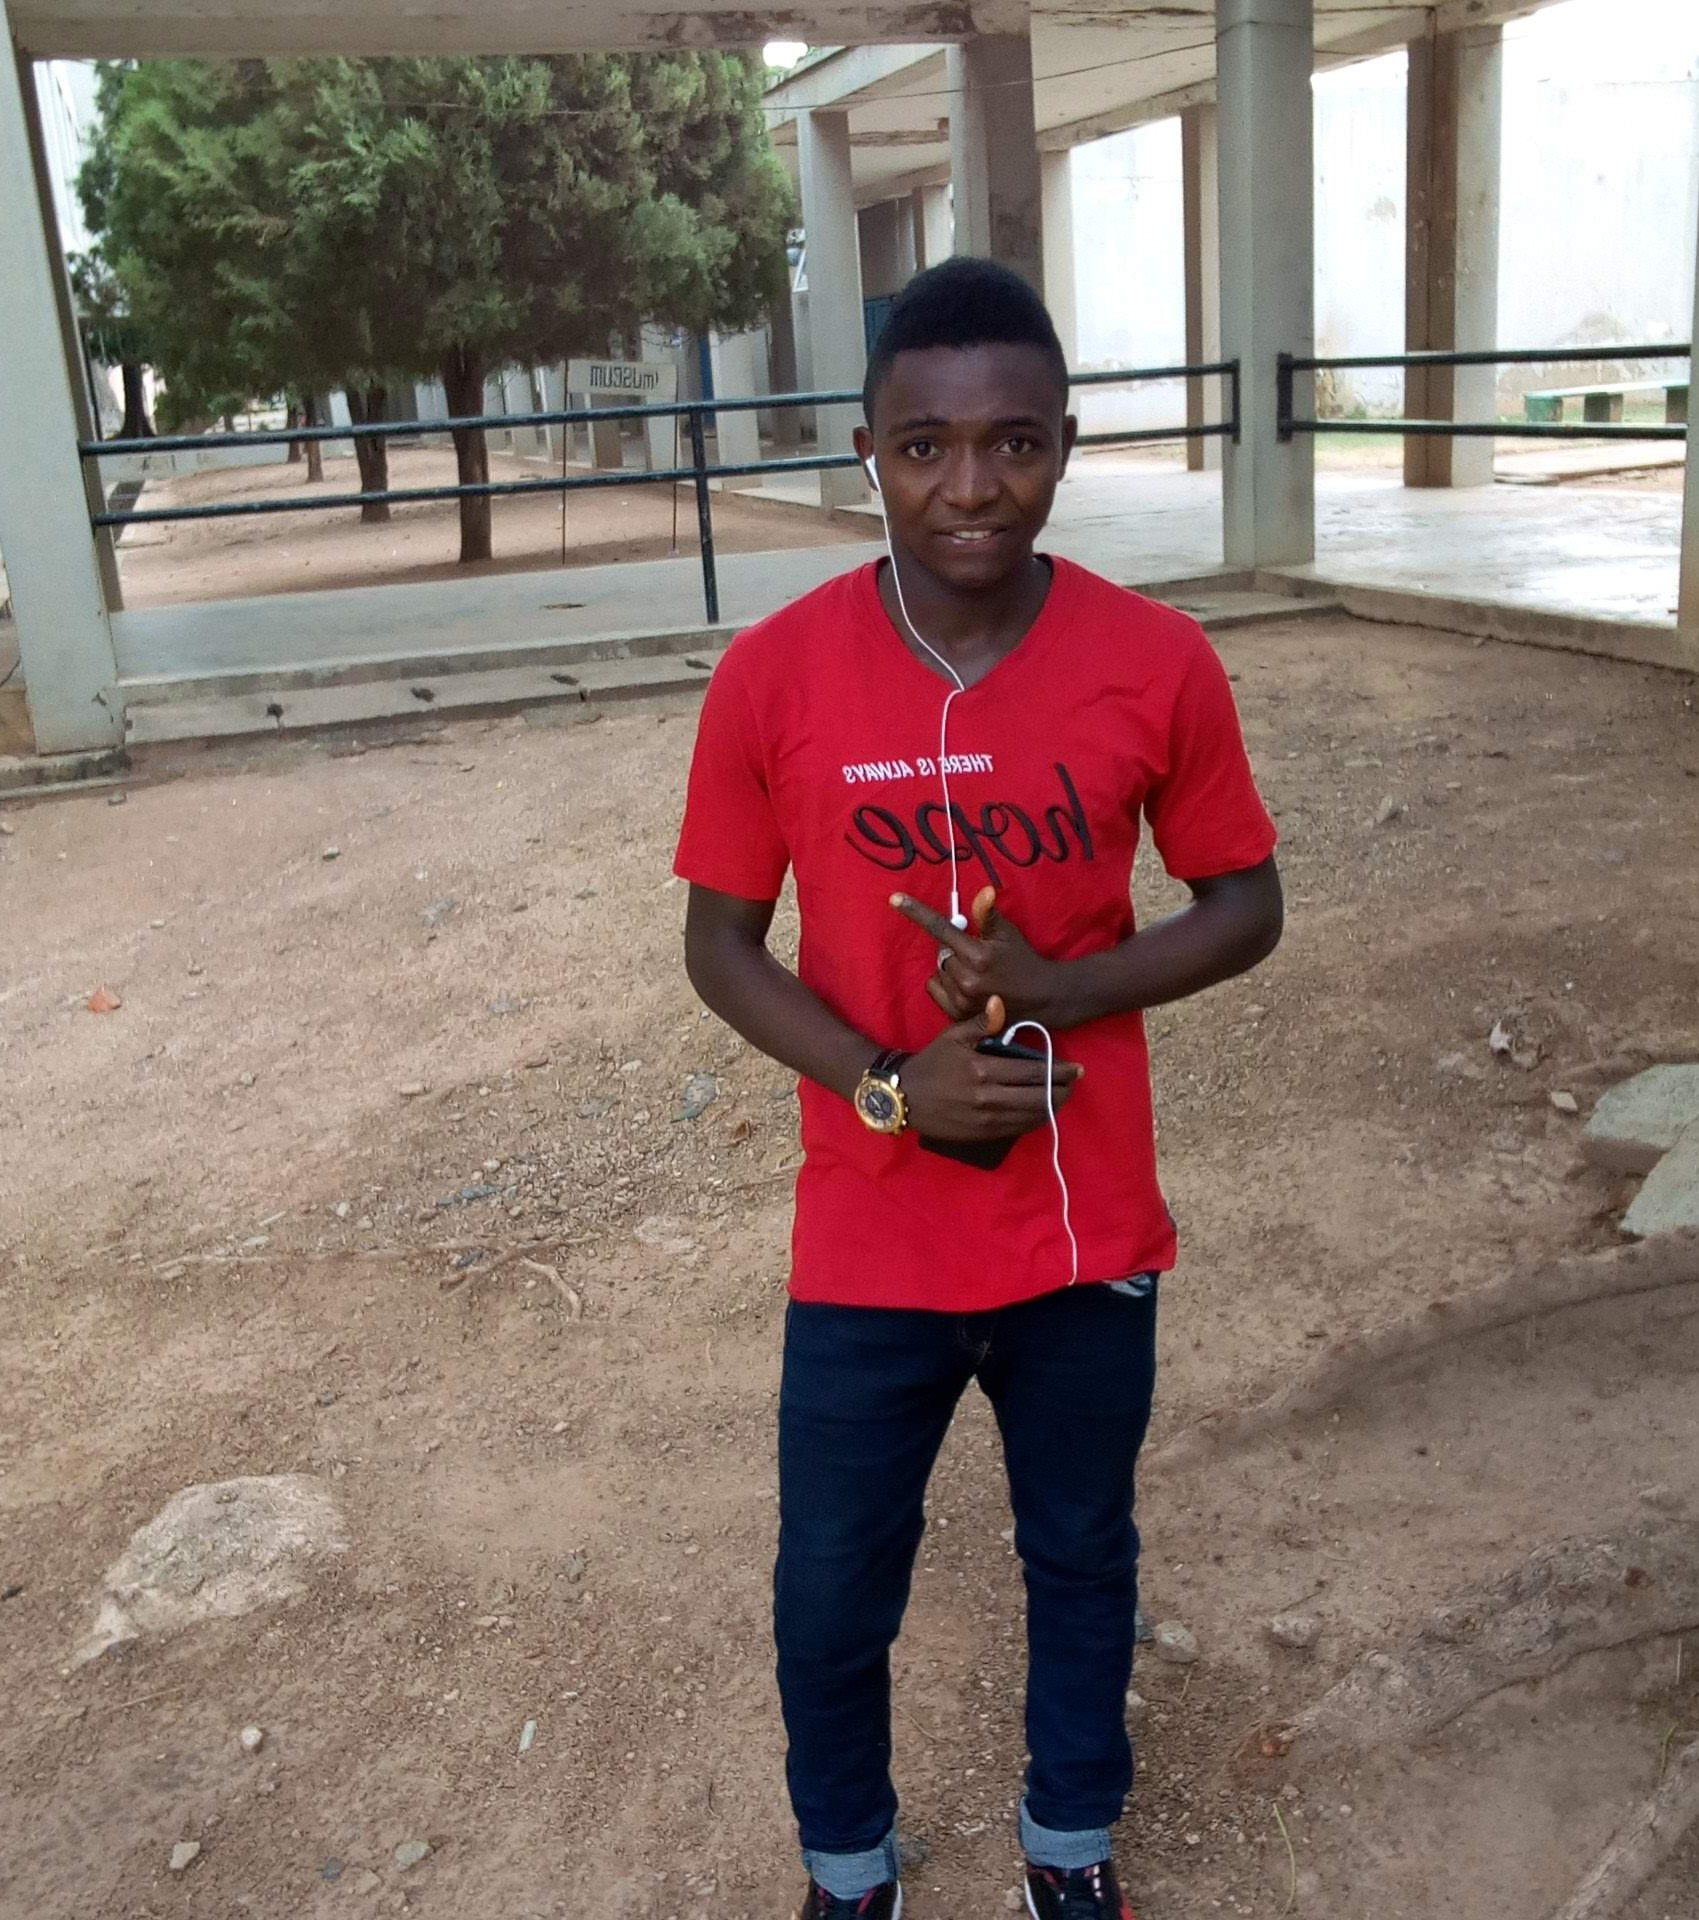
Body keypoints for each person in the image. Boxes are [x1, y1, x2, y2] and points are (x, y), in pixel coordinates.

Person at [675, 256, 1282, 1920]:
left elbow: (1246, 904)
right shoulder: (774, 675)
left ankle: (1069, 1846)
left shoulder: (1157, 660)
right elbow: (719, 946)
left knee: (1081, 1557)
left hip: (1084, 1235)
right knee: (829, 1595)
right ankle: (848, 1871)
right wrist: (888, 1083)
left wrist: (1063, 989)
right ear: (867, 452)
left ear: (1064, 448)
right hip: (869, 1234)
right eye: (926, 446)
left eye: (1014, 443)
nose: (971, 487)